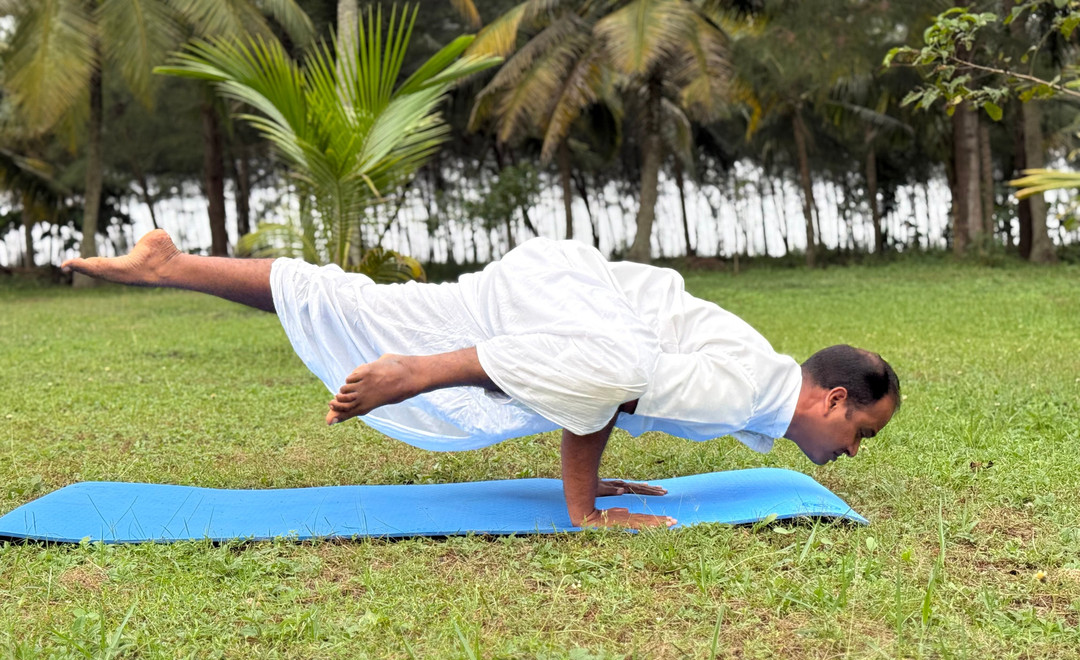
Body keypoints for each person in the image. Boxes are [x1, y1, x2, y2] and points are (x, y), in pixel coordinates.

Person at [62, 231, 900, 530]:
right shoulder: (747, 392)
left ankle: (169, 264)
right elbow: (609, 381)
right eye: (859, 432)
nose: (852, 450)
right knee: (589, 370)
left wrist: (597, 467)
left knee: (369, 305)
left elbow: (614, 377)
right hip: (565, 300)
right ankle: (420, 372)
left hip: (560, 281)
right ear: (833, 399)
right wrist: (584, 508)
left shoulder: (753, 367)